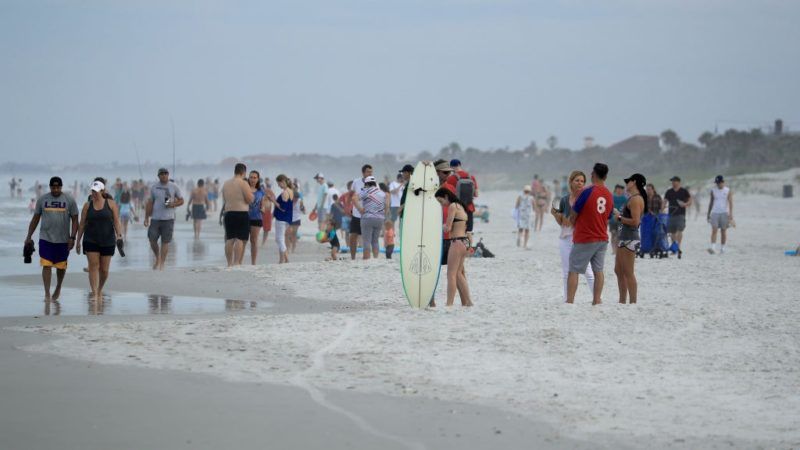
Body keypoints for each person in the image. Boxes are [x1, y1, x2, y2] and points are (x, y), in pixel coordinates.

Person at [24, 176, 79, 301]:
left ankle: (58, 287)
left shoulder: (69, 200)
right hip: (45, 238)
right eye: (53, 187)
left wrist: (72, 237)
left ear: (61, 187)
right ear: (50, 187)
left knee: (61, 266)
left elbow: (75, 219)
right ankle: (47, 293)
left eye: (58, 187)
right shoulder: (43, 199)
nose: (55, 190)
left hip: (63, 239)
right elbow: (35, 218)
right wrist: (28, 236)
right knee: (46, 265)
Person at [567, 163, 613, 305]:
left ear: (593, 174)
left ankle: (570, 301)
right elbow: (609, 215)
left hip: (585, 237)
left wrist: (572, 223)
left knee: (574, 270)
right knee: (598, 271)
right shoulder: (609, 194)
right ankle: (596, 300)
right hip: (602, 237)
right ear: (605, 176)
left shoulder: (587, 191)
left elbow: (574, 213)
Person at [551, 171, 594, 302]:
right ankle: (567, 298)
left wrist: (563, 218)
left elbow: (574, 220)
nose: (580, 183)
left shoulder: (587, 199)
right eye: (577, 180)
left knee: (587, 271)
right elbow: (563, 223)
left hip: (581, 238)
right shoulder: (564, 199)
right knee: (566, 271)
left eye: (582, 181)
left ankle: (597, 297)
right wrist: (555, 215)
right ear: (571, 182)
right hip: (566, 238)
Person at [76, 179, 123, 301]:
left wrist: (119, 235)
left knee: (104, 270)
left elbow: (117, 222)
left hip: (108, 240)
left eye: (96, 191)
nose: (94, 193)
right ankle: (95, 293)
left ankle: (100, 288)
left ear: (103, 191)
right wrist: (78, 241)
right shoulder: (87, 205)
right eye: (92, 191)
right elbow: (82, 224)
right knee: (93, 266)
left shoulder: (111, 204)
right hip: (90, 239)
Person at [435, 184, 473, 307]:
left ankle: (449, 303)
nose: (442, 204)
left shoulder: (452, 206)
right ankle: (468, 302)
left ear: (446, 196)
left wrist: (435, 226)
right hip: (464, 242)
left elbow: (448, 228)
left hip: (456, 242)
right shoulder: (461, 206)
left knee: (451, 274)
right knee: (458, 274)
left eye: (441, 201)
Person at [614, 174, 646, 304]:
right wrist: (619, 214)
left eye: (628, 182)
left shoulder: (636, 199)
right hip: (624, 237)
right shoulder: (631, 198)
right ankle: (622, 301)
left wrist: (620, 218)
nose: (626, 184)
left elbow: (635, 221)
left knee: (628, 271)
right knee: (618, 270)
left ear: (634, 182)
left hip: (630, 238)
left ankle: (633, 302)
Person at [143, 168, 184, 271]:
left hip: (168, 219)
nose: (164, 175)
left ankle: (162, 263)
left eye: (165, 173)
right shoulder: (154, 187)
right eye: (161, 174)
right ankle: (157, 257)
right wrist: (146, 217)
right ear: (158, 176)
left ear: (168, 175)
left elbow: (181, 200)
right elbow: (150, 203)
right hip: (155, 218)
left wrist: (173, 204)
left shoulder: (173, 186)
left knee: (165, 242)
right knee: (152, 240)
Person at [221, 163, 254, 267]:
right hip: (241, 213)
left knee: (230, 239)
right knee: (239, 239)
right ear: (243, 172)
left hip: (228, 213)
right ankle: (236, 262)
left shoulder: (226, 183)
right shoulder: (243, 183)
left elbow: (225, 199)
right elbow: (249, 199)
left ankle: (229, 263)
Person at [355, 175, 388, 260]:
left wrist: (360, 209)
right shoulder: (382, 193)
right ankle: (376, 258)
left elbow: (354, 198)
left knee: (366, 240)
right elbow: (387, 205)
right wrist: (385, 214)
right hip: (380, 219)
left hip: (367, 218)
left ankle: (366, 258)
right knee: (375, 240)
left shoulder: (366, 191)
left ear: (366, 184)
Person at [445, 159, 479, 239]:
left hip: (457, 209)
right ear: (460, 165)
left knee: (457, 233)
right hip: (470, 209)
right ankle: (469, 249)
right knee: (469, 232)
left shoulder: (451, 179)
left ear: (451, 167)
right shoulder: (471, 177)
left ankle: (457, 249)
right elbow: (476, 194)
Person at [663, 176, 692, 258]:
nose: (672, 183)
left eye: (674, 181)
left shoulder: (684, 191)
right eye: (672, 181)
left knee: (679, 230)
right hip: (671, 214)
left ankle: (678, 247)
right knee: (672, 232)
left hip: (681, 214)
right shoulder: (669, 191)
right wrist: (662, 209)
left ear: (678, 182)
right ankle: (674, 247)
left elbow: (690, 200)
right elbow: (665, 201)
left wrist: (685, 204)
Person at [349, 164, 373, 260]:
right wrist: (349, 207)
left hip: (368, 215)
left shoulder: (374, 183)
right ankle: (353, 257)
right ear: (363, 173)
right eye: (368, 171)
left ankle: (366, 258)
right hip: (356, 214)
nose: (370, 173)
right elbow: (351, 194)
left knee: (366, 238)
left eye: (371, 172)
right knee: (353, 236)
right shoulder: (356, 182)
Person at [707, 175, 733, 254]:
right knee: (714, 230)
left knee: (723, 231)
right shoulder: (713, 190)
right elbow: (711, 202)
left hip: (724, 213)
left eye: (719, 183)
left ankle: (722, 248)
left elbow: (730, 202)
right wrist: (708, 213)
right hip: (715, 212)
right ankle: (713, 247)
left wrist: (731, 214)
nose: (718, 184)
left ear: (723, 182)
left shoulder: (728, 190)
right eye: (717, 183)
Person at [246, 170, 267, 265]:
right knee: (243, 240)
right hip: (244, 218)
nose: (253, 179)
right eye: (251, 177)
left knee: (253, 241)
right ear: (248, 178)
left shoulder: (261, 191)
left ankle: (253, 263)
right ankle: (238, 261)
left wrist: (263, 208)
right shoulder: (245, 189)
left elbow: (263, 205)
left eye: (255, 177)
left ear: (258, 179)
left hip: (257, 218)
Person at [273, 174, 294, 264]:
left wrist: (273, 200)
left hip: (282, 218)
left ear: (282, 182)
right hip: (287, 218)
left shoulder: (285, 192)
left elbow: (283, 208)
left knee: (279, 239)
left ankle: (286, 259)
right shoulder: (291, 191)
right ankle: (282, 260)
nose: (278, 186)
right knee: (280, 238)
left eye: (278, 183)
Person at [609, 184, 627, 254]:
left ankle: (618, 249)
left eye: (621, 189)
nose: (619, 190)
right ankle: (614, 250)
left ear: (623, 190)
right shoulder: (611, 197)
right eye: (618, 189)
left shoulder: (625, 198)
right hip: (612, 219)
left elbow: (626, 209)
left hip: (621, 219)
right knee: (613, 234)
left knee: (619, 235)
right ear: (615, 189)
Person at [288, 180, 305, 253]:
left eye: (297, 199)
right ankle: (288, 247)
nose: (295, 200)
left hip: (297, 218)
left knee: (294, 233)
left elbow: (303, 210)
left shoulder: (300, 201)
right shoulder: (289, 200)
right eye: (294, 199)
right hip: (289, 218)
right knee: (289, 233)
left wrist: (302, 209)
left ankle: (293, 248)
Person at [260, 181, 276, 248]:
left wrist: (274, 213)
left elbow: (275, 202)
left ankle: (263, 243)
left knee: (266, 229)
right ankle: (254, 241)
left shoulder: (269, 191)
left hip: (267, 212)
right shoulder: (255, 191)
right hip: (258, 212)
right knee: (254, 228)